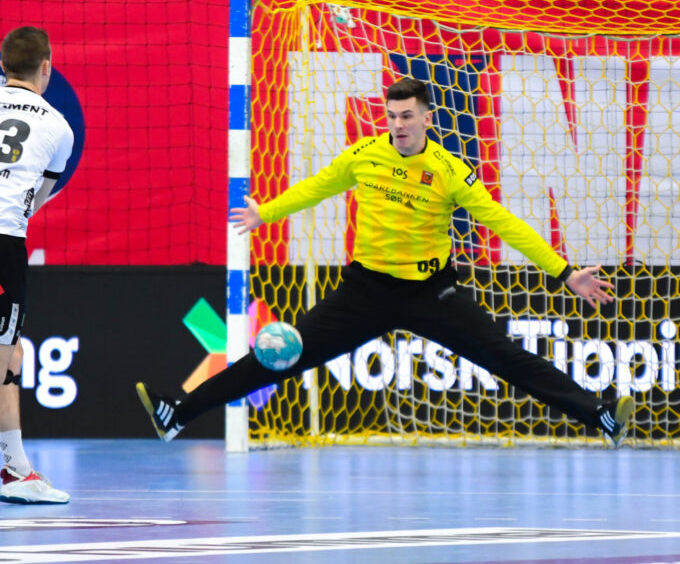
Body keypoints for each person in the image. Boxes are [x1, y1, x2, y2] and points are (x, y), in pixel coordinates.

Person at [137, 77, 634, 447]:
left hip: (431, 293)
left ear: (426, 118)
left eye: (407, 116)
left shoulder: (449, 171)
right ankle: (178, 413)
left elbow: (504, 223)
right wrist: (265, 212)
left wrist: (564, 272)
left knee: (504, 357)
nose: (397, 125)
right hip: (365, 292)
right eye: (392, 116)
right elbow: (317, 187)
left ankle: (600, 416)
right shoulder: (364, 155)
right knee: (279, 358)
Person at [0, 26, 73, 504]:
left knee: (12, 356)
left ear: (3, 65)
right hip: (4, 241)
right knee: (4, 357)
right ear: (46, 67)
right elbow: (34, 202)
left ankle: (15, 469)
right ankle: (14, 472)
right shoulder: (58, 127)